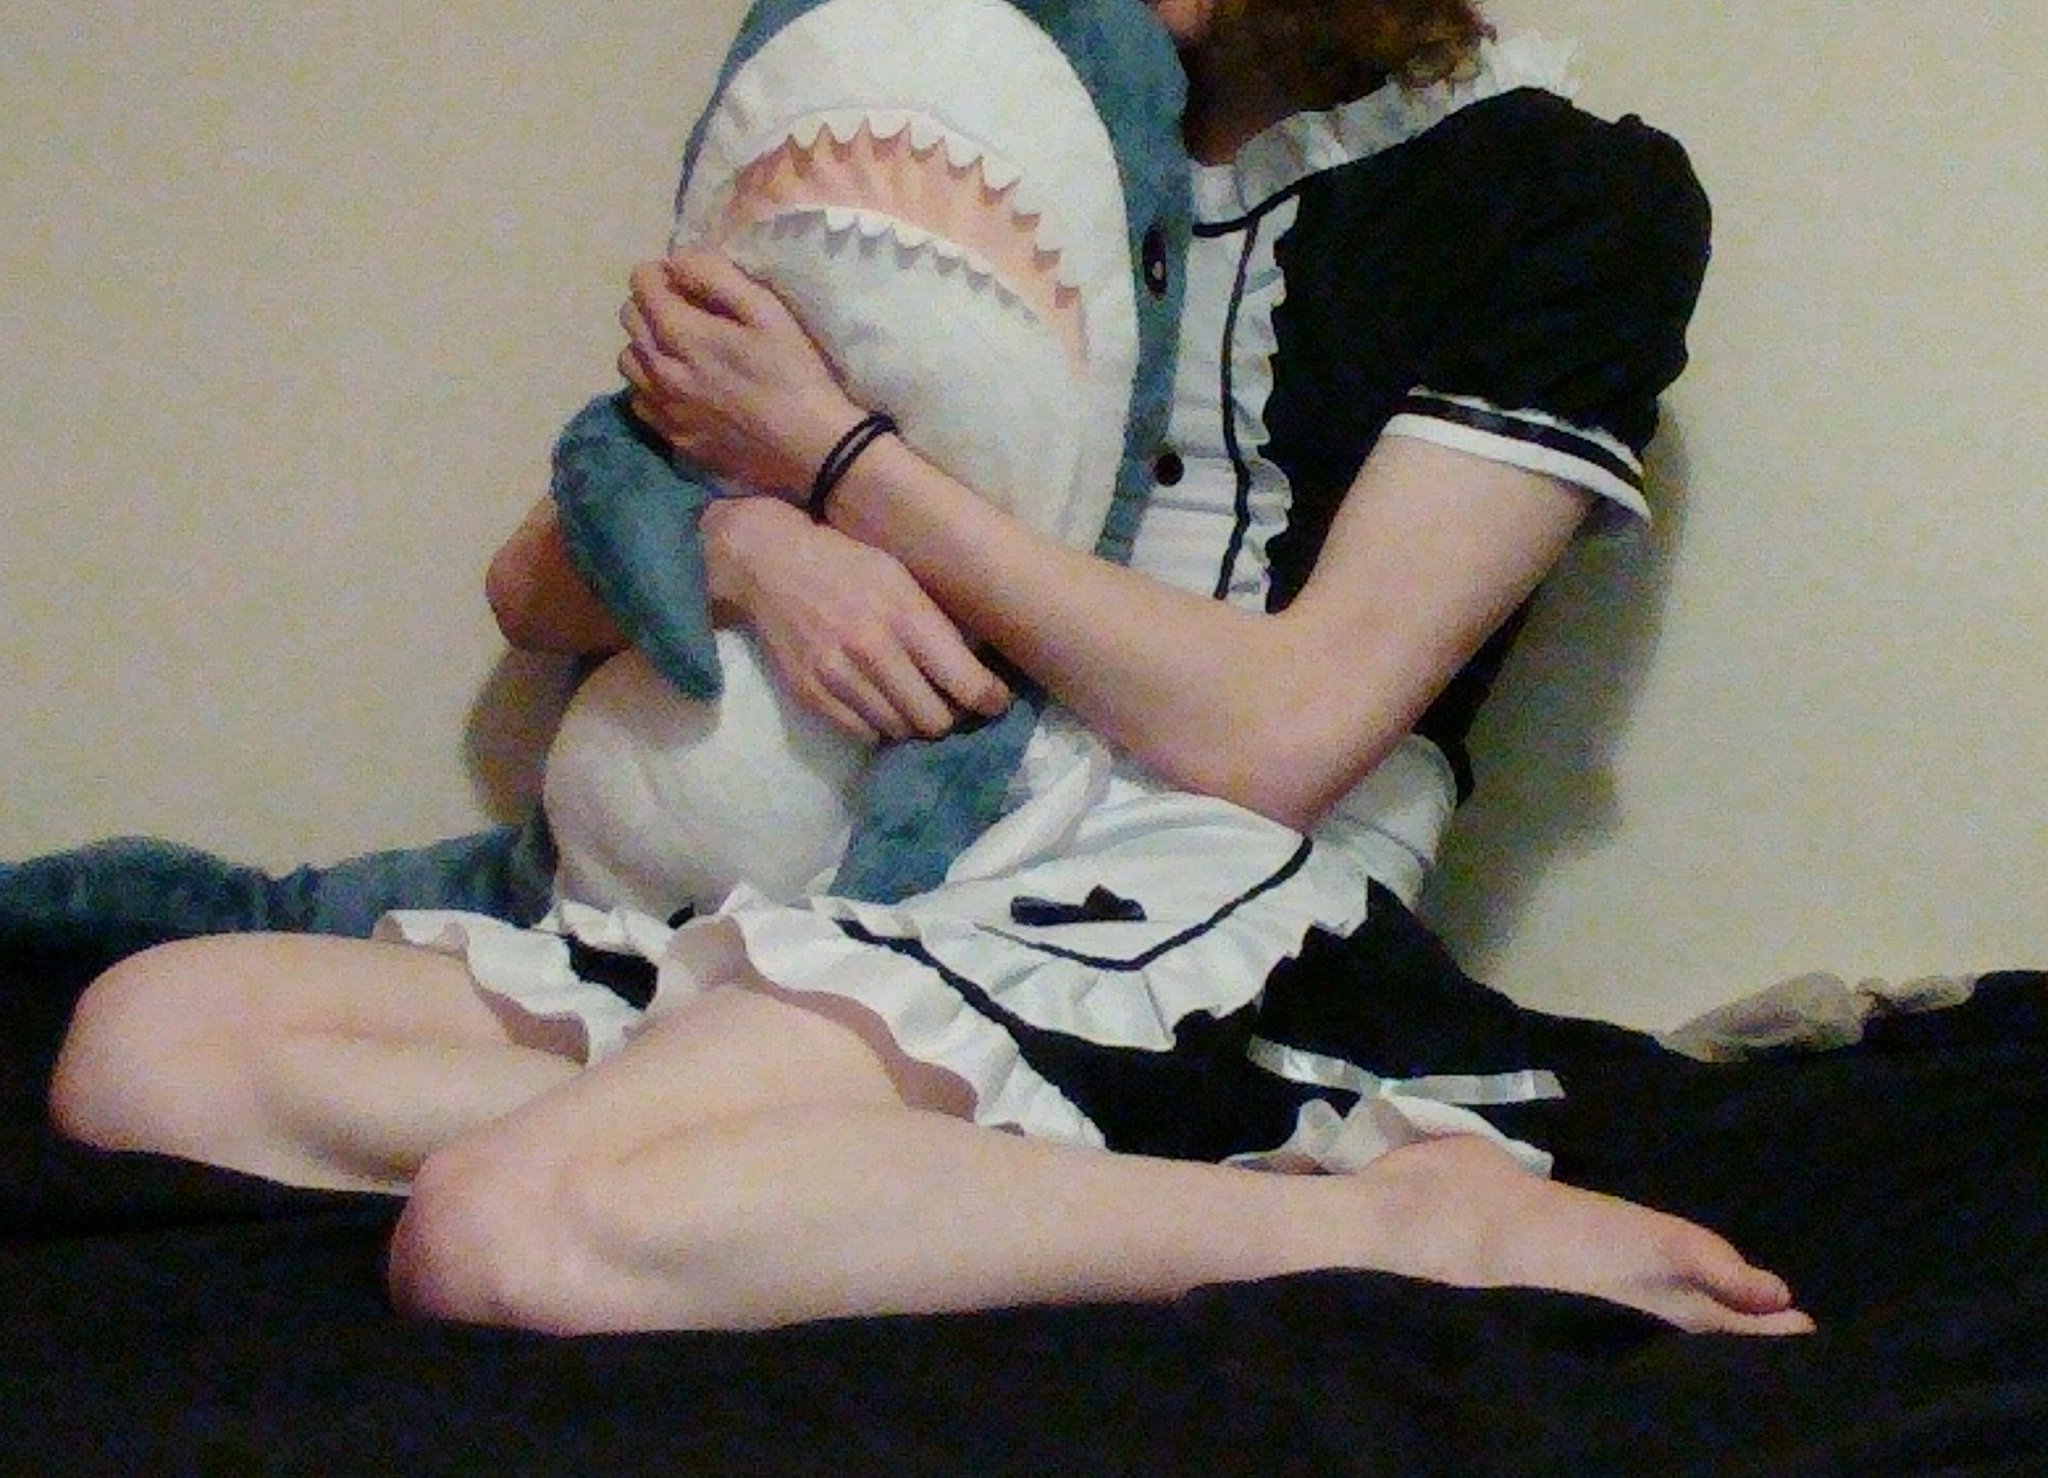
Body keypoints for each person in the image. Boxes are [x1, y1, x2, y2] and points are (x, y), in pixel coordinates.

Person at [46, 0, 1816, 1338]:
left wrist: (839, 464)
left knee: (515, 1224)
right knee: (148, 1046)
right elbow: (534, 588)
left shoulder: (1570, 192)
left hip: (1197, 878)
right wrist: (742, 547)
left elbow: (1288, 727)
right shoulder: (994, 97)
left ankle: (1381, 1221)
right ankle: (830, 1154)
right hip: (900, 827)